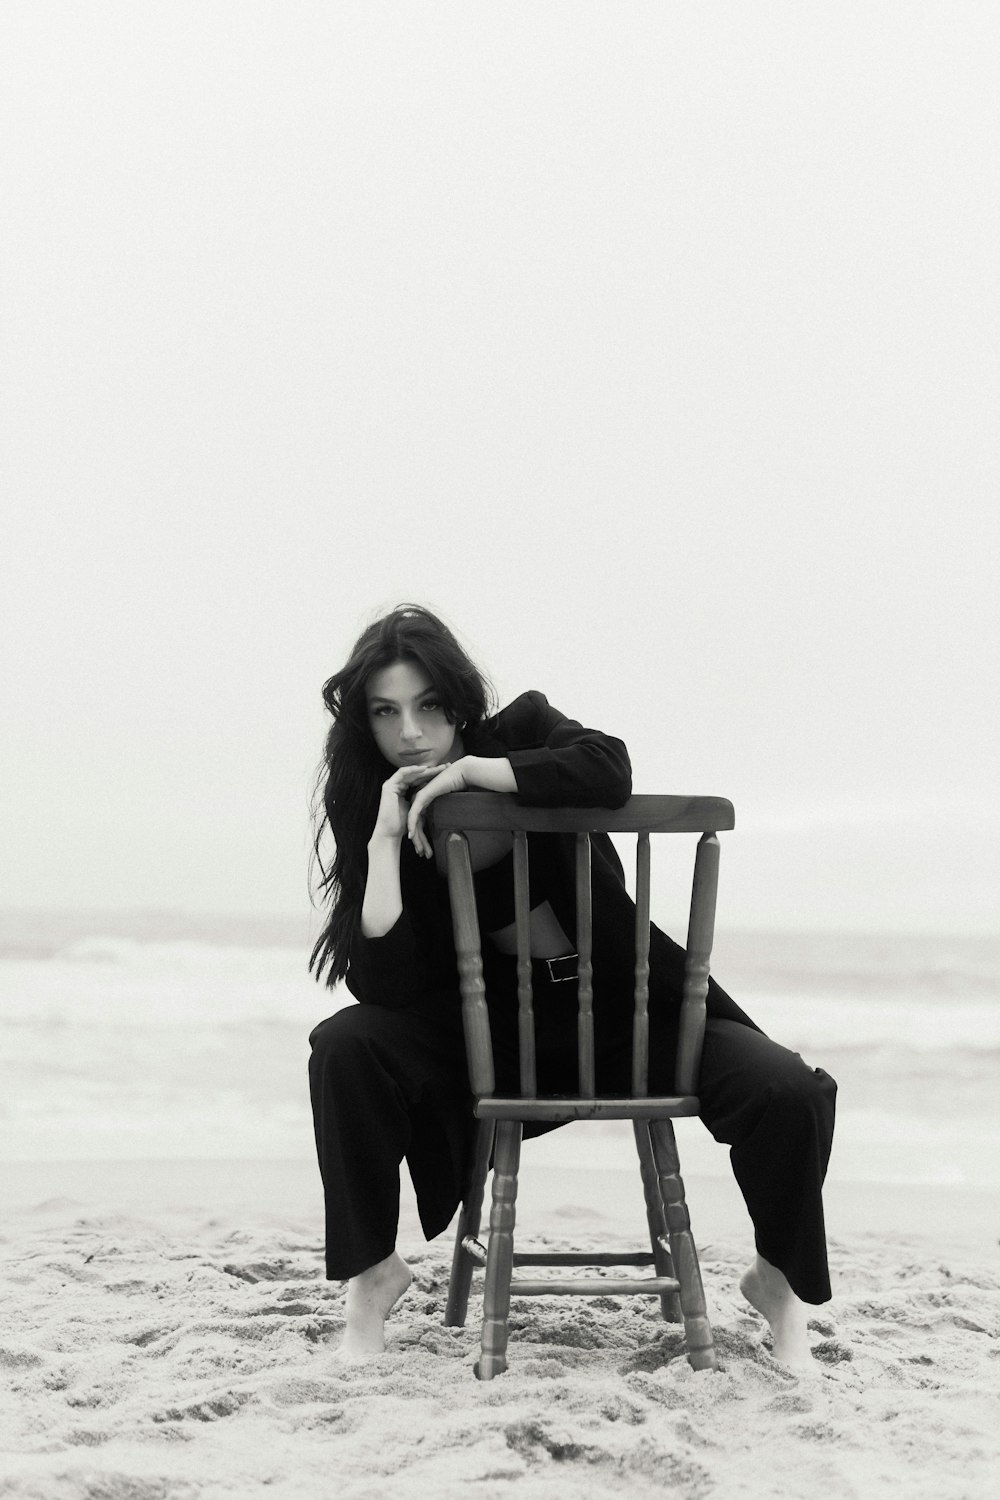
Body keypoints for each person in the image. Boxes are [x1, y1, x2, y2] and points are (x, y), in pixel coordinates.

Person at [308, 604, 837, 1369]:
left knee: (787, 1089)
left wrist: (469, 776)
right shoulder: (372, 800)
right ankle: (370, 1283)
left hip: (622, 1015)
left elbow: (608, 766)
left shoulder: (521, 732)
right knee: (344, 1045)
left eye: (428, 707)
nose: (411, 733)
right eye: (386, 712)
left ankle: (779, 1290)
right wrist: (387, 839)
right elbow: (381, 983)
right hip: (485, 1042)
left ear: (458, 702)